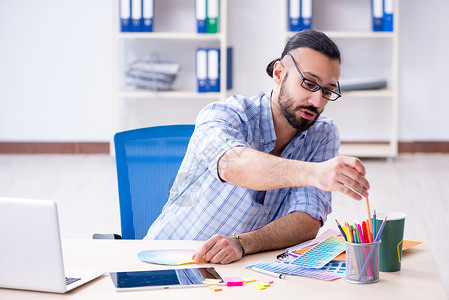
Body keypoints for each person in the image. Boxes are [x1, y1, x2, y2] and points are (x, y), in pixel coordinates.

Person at [144, 29, 370, 265]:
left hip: (238, 271)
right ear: (279, 73)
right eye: (308, 83)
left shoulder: (322, 134)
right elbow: (233, 166)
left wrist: (243, 243)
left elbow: (308, 218)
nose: (316, 101)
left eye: (327, 91)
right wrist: (314, 173)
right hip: (166, 259)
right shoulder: (224, 115)